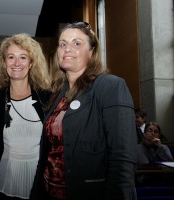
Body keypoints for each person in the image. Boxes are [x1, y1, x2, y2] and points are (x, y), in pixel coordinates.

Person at [30, 22, 137, 200]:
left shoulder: (110, 86)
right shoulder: (57, 94)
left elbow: (122, 156)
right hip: (49, 191)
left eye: (77, 43)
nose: (67, 49)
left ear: (92, 52)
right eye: (63, 44)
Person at [0, 33, 51, 200]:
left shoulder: (46, 96)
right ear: (4, 62)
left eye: (23, 57)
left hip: (40, 176)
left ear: (31, 63)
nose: (16, 63)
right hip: (6, 174)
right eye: (11, 57)